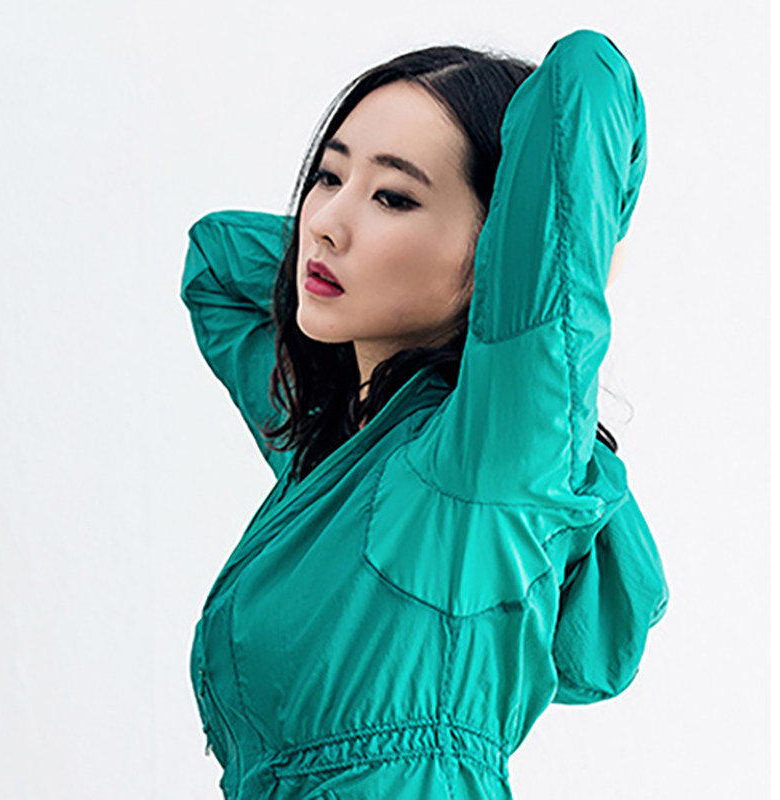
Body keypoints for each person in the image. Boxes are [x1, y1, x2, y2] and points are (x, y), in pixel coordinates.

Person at [180, 27, 669, 800]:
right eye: (329, 176)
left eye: (393, 197)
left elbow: (585, 79)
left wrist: (548, 265)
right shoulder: (336, 454)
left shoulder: (486, 467)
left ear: (499, 250)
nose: (326, 223)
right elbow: (215, 265)